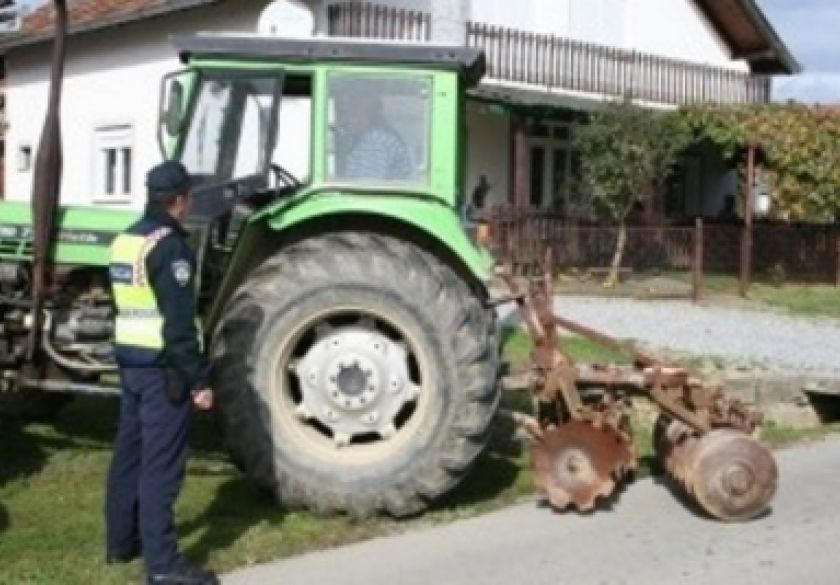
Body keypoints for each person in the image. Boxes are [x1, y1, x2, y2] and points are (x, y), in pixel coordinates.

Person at [105, 161, 218, 585]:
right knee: (161, 468)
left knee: (128, 458)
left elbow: (122, 305)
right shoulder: (170, 248)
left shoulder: (125, 242)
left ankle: (121, 544)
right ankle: (165, 567)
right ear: (180, 200)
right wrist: (199, 381)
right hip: (163, 370)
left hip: (131, 364)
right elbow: (179, 325)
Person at [336, 90, 412, 181]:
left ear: (369, 113)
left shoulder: (375, 142)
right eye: (346, 112)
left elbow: (366, 186)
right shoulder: (372, 138)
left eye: (354, 112)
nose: (348, 119)